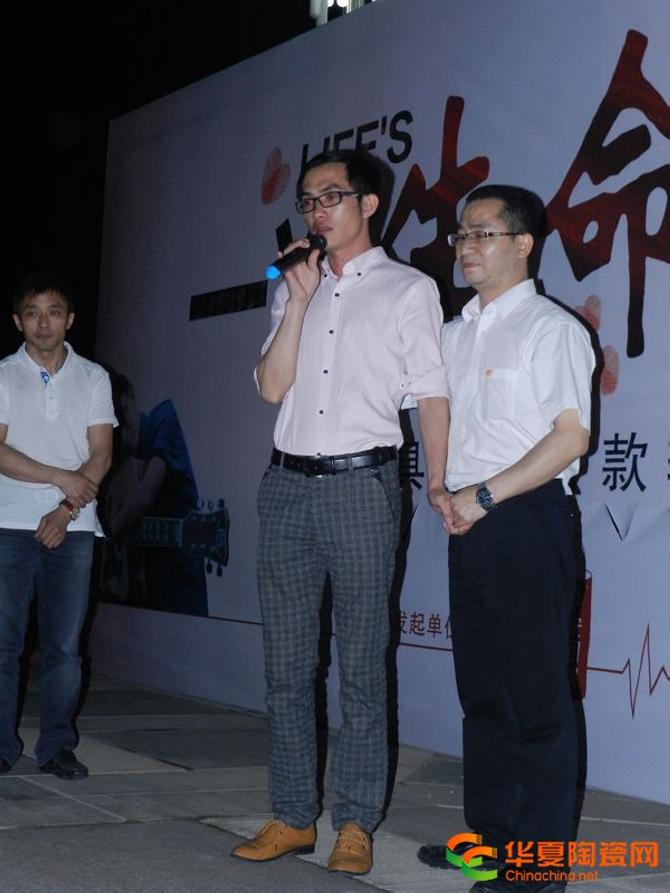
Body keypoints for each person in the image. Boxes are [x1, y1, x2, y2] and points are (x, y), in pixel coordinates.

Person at [231, 149, 450, 875]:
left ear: (368, 203)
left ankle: (355, 822)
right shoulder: (296, 284)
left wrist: (439, 483)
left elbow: (432, 394)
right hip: (285, 486)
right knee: (287, 666)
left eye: (331, 196)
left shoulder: (409, 288)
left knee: (361, 661)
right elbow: (271, 388)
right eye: (307, 200)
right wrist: (297, 299)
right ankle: (294, 814)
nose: (317, 210)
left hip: (362, 486)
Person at [417, 185, 595, 893]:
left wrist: (486, 494)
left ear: (523, 244)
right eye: (461, 235)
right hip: (467, 520)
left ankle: (538, 868)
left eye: (482, 233)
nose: (466, 247)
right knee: (482, 693)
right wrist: (444, 489)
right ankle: (489, 843)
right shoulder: (452, 334)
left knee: (536, 699)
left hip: (527, 519)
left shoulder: (553, 329)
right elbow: (437, 418)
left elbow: (571, 437)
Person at [0, 274, 115, 780]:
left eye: (53, 312)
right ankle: (2, 746)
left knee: (64, 648)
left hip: (75, 527)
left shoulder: (93, 377)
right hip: (7, 522)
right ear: (18, 321)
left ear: (69, 319)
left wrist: (65, 508)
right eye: (32, 313)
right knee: (4, 644)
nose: (43, 322)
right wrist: (60, 477)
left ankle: (56, 748)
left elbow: (102, 455)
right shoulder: (4, 375)